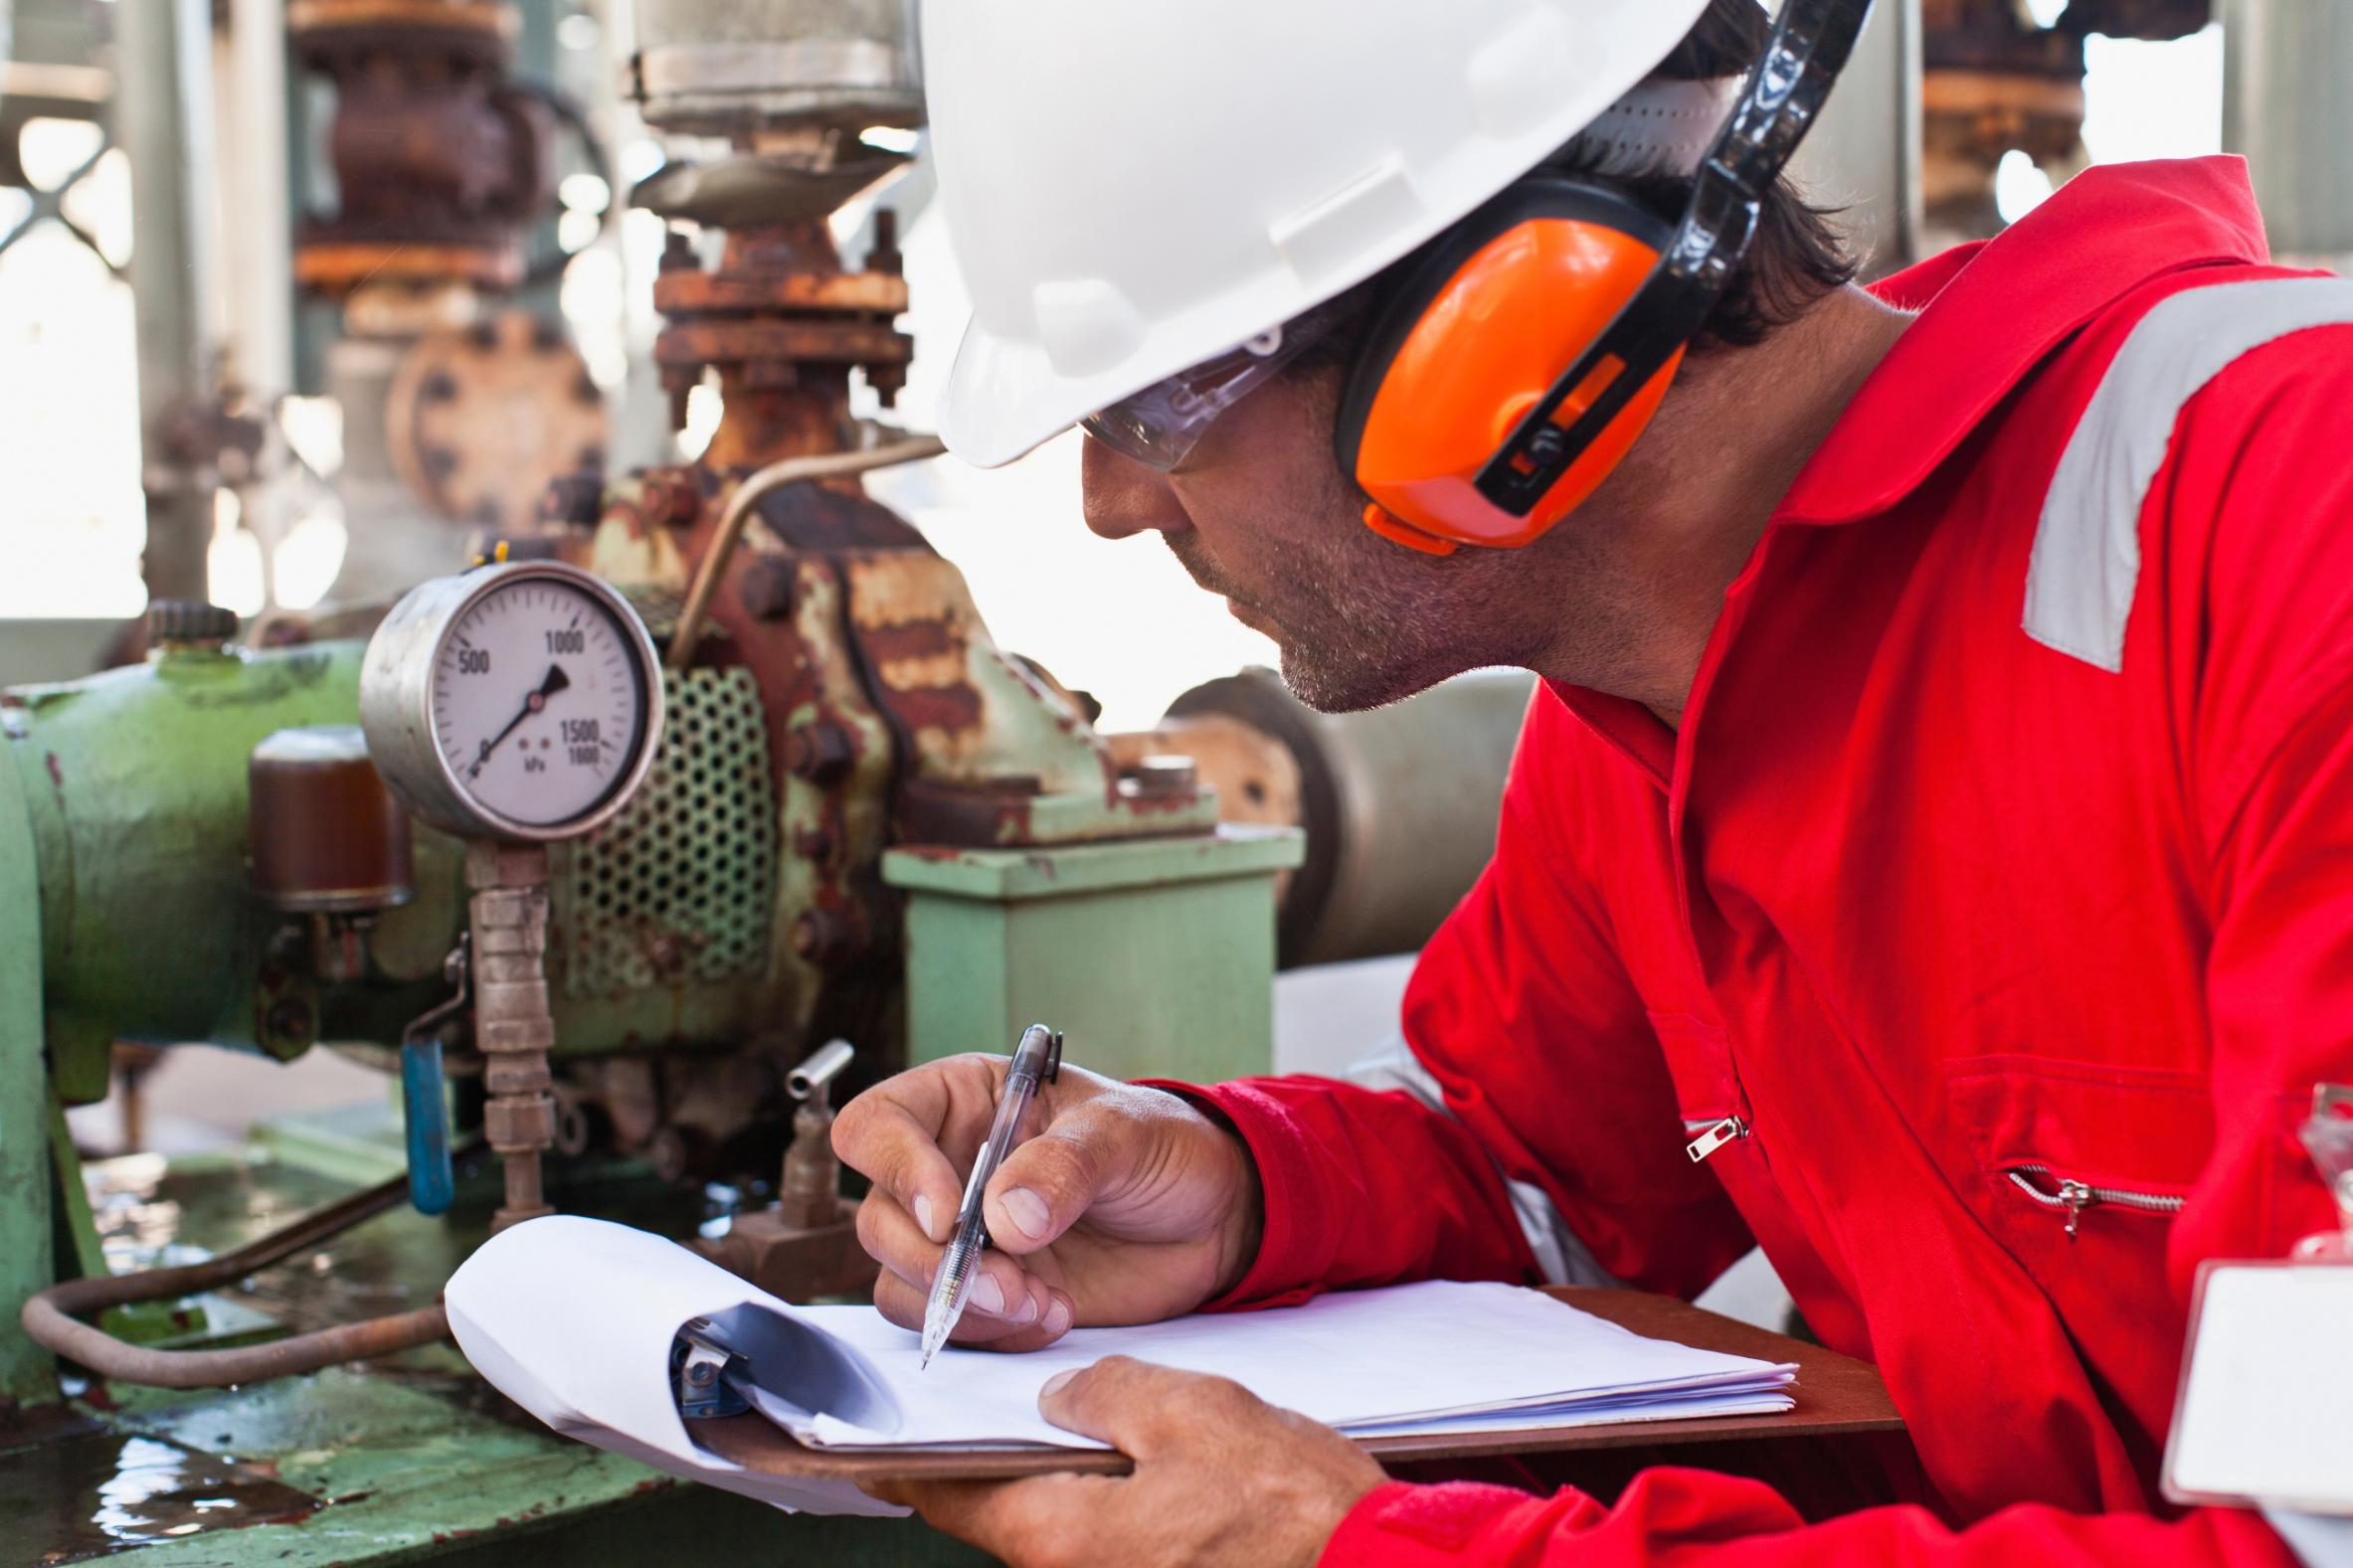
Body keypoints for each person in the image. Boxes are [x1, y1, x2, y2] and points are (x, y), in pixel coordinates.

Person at [833, 1, 2352, 1562]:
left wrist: (1378, 1552)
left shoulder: (2291, 527)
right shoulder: (1641, 715)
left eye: (1151, 406)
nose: (1108, 503)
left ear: (1498, 335)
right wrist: (1234, 1187)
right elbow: (1538, 1173)